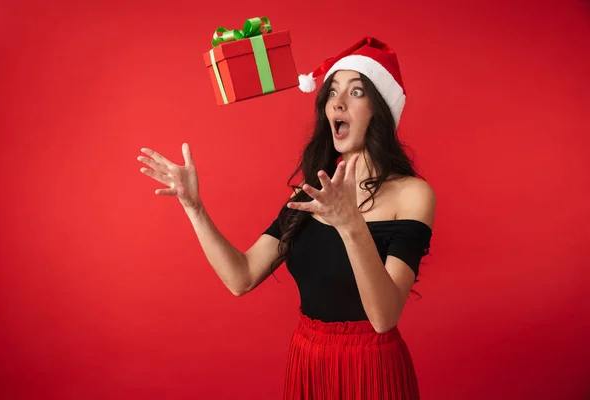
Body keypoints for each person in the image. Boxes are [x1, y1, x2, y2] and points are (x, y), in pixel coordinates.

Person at [137, 36, 436, 400]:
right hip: (308, 361)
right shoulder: (309, 195)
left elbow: (384, 317)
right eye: (332, 92)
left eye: (356, 92)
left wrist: (350, 223)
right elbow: (241, 277)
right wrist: (194, 207)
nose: (337, 101)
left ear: (381, 109)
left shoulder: (412, 195)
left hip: (371, 366)